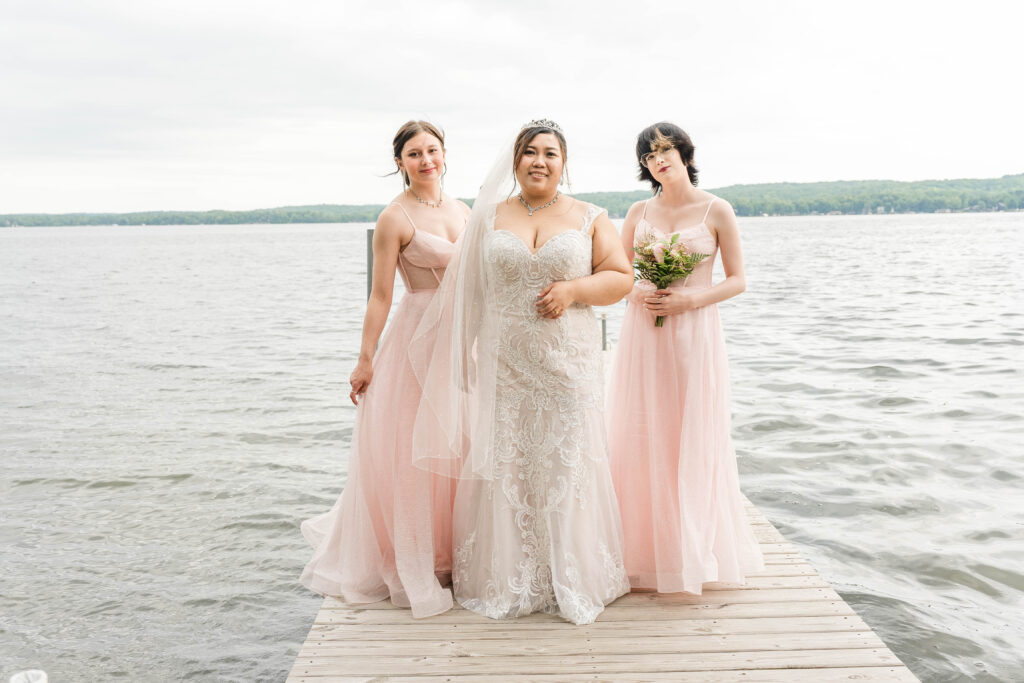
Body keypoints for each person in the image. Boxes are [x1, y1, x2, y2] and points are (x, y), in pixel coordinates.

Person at [410, 120, 632, 625]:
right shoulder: (486, 218)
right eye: (530, 153)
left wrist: (574, 291)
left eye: (549, 154)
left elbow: (620, 278)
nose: (539, 161)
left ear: (563, 163)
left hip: (566, 363)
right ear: (515, 161)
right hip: (503, 361)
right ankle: (511, 573)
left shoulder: (590, 216)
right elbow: (468, 290)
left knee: (564, 461)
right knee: (507, 459)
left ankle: (569, 570)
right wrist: (460, 353)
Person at [300, 120, 470, 618]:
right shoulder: (394, 218)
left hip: (460, 340)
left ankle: (453, 554)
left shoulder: (463, 210)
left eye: (432, 150)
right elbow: (380, 296)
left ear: (444, 154)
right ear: (399, 162)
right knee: (413, 451)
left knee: (459, 444)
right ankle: (413, 560)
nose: (425, 160)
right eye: (414, 153)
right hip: (416, 337)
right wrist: (365, 358)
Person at [606, 122, 764, 594]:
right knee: (642, 428)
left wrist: (689, 301)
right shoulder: (638, 211)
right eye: (649, 155)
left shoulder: (717, 209)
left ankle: (694, 550)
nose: (658, 160)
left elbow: (737, 279)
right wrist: (640, 292)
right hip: (645, 331)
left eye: (665, 150)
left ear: (684, 153)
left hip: (695, 330)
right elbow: (613, 272)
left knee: (691, 431)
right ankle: (642, 550)